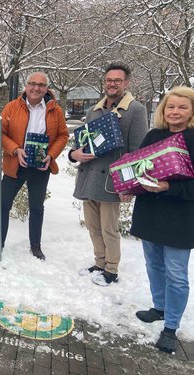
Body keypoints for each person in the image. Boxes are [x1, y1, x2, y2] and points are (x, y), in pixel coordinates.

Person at [69, 63, 148, 286]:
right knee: (93, 226)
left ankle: (111, 270)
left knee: (109, 229)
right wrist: (75, 154)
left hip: (112, 180)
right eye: (109, 80)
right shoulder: (93, 110)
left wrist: (130, 185)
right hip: (88, 176)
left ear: (126, 83)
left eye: (117, 80)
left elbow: (137, 152)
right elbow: (83, 142)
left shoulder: (135, 110)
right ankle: (99, 262)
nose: (112, 84)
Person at [130, 86, 194, 354]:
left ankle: (171, 326)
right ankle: (159, 307)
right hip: (151, 212)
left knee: (177, 274)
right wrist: (128, 185)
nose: (175, 112)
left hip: (181, 217)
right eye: (171, 107)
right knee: (153, 264)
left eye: (182, 107)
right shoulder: (154, 135)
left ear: (192, 111)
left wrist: (169, 187)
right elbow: (137, 167)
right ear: (163, 109)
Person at [0, 72, 68, 260]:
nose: (36, 88)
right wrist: (15, 149)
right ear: (25, 86)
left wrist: (51, 156)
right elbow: (0, 133)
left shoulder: (55, 109)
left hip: (41, 166)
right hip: (15, 164)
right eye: (33, 84)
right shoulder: (12, 108)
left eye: (41, 85)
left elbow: (63, 135)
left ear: (46, 88)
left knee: (37, 207)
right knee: (2, 205)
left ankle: (35, 246)